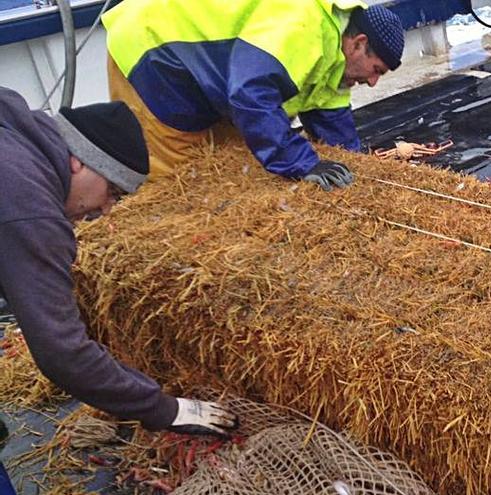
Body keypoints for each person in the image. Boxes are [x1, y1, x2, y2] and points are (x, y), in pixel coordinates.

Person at [0, 87, 237, 437]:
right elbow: (62, 352)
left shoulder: (15, 130)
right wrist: (164, 409)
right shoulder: (30, 210)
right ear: (77, 160)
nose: (106, 209)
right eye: (112, 190)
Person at [101, 0, 405, 190]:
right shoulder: (304, 26)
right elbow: (250, 94)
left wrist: (359, 172)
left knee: (238, 166)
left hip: (216, 70)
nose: (374, 82)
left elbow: (331, 117)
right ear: (358, 43)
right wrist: (302, 163)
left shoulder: (337, 58)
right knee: (186, 180)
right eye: (376, 69)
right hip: (155, 49)